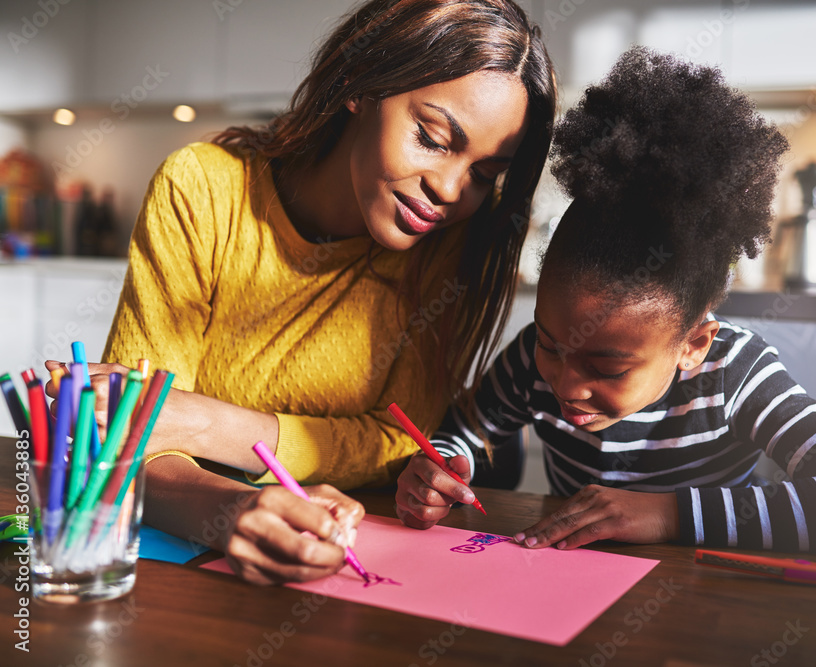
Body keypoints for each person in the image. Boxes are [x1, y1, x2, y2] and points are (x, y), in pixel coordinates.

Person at [46, 0, 556, 584]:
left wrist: (204, 423)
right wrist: (230, 509)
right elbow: (128, 441)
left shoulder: (453, 240)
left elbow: (398, 443)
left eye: (485, 174)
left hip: (352, 551)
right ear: (358, 85)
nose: (448, 189)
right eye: (433, 137)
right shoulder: (202, 189)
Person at [395, 46, 816, 557]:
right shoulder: (536, 358)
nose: (567, 383)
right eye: (552, 347)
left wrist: (667, 515)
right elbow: (463, 434)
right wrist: (442, 467)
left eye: (607, 367)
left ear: (693, 343)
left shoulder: (733, 374)